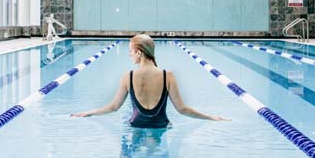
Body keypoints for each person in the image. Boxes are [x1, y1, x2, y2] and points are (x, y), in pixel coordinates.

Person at [71, 34, 228, 126]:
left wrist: (88, 113)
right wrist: (211, 117)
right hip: (160, 128)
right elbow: (182, 109)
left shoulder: (128, 77)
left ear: (139, 53)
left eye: (131, 51)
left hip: (135, 127)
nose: (129, 55)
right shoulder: (168, 76)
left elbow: (113, 107)